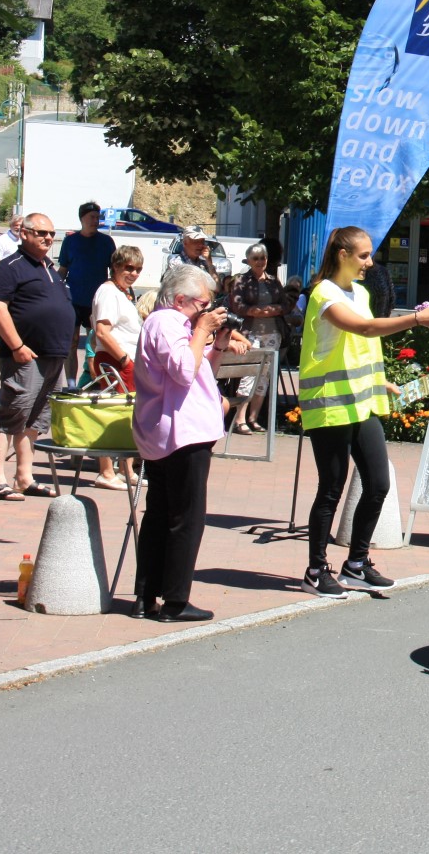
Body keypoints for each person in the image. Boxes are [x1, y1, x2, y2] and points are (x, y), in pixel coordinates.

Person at [299, 226, 429, 597]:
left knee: (379, 483)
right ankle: (316, 570)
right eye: (364, 255)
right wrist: (416, 319)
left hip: (361, 400)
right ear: (342, 255)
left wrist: (380, 381)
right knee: (331, 489)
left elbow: (358, 346)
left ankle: (356, 563)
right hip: (330, 405)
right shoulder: (324, 293)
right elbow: (365, 329)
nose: (370, 262)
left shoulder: (361, 292)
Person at [129, 263, 247, 621]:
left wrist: (218, 346)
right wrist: (202, 330)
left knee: (161, 514)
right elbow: (182, 372)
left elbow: (198, 372)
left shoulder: (177, 326)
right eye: (203, 305)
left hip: (176, 432)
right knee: (185, 518)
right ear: (181, 299)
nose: (208, 313)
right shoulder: (165, 322)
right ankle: (175, 601)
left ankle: (146, 597)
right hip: (181, 434)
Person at [0, 212, 74, 501]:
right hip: (25, 355)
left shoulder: (49, 266)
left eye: (51, 234)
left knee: (37, 419)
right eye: (41, 233)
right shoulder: (10, 267)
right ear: (24, 233)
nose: (48, 238)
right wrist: (16, 346)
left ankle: (24, 476)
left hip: (53, 355)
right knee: (13, 413)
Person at [89, 246, 144, 490]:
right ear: (116, 267)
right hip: (116, 361)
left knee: (127, 416)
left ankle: (127, 469)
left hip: (124, 360)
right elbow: (102, 331)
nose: (133, 273)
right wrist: (124, 360)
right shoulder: (108, 292)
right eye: (128, 268)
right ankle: (106, 471)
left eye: (138, 269)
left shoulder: (123, 293)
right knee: (113, 415)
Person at [227, 243, 285, 435]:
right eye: (256, 258)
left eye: (263, 258)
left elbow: (284, 304)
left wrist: (275, 310)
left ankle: (253, 418)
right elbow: (236, 306)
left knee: (264, 377)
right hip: (250, 334)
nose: (260, 262)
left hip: (272, 332)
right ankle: (240, 419)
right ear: (249, 261)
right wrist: (255, 311)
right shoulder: (241, 281)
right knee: (249, 374)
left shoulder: (273, 281)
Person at [58, 201, 116, 384]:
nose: (95, 221)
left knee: (96, 343)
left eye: (98, 217)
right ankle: (71, 383)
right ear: (82, 218)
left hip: (97, 302)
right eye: (92, 217)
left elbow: (115, 271)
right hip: (74, 300)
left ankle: (95, 380)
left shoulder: (106, 242)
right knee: (72, 342)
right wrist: (54, 289)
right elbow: (63, 269)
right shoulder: (70, 241)